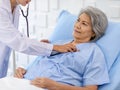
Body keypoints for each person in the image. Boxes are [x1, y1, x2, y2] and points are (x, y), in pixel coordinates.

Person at [14, 6, 110, 90]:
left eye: (84, 24)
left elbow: (90, 89)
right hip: (22, 83)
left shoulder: (94, 53)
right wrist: (22, 71)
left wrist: (55, 86)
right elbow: (39, 64)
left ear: (94, 32)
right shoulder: (58, 44)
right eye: (78, 20)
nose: (77, 26)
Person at [0, 0, 76, 78]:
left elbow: (16, 38)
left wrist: (41, 46)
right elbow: (18, 41)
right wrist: (55, 47)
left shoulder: (15, 8)